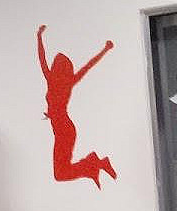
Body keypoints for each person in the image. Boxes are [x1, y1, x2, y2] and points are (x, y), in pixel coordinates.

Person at [36, 25, 117, 188]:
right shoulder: (67, 81)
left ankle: (96, 163)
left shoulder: (52, 79)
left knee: (60, 174)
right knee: (60, 173)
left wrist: (39, 37)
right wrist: (105, 50)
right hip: (64, 129)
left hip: (63, 131)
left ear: (56, 67)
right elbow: (88, 65)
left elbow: (42, 59)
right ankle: (95, 164)